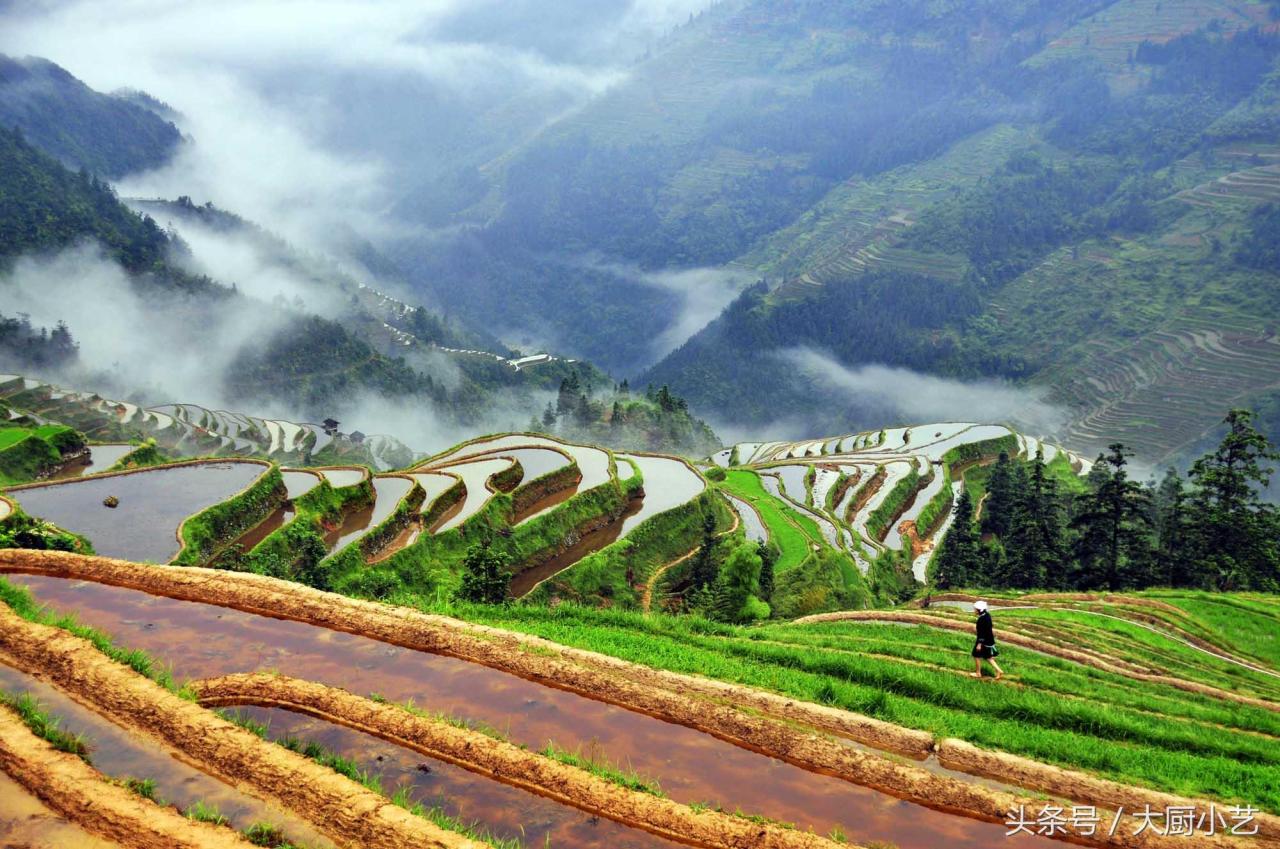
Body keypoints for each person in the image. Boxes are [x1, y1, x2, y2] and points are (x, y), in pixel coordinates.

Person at [971, 600, 1003, 679]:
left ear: (979, 610)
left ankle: (978, 673)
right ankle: (999, 670)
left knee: (976, 655)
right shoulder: (987, 615)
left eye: (975, 609)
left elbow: (982, 633)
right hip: (989, 640)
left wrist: (979, 644)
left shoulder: (981, 619)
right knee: (988, 657)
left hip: (983, 641)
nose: (974, 610)